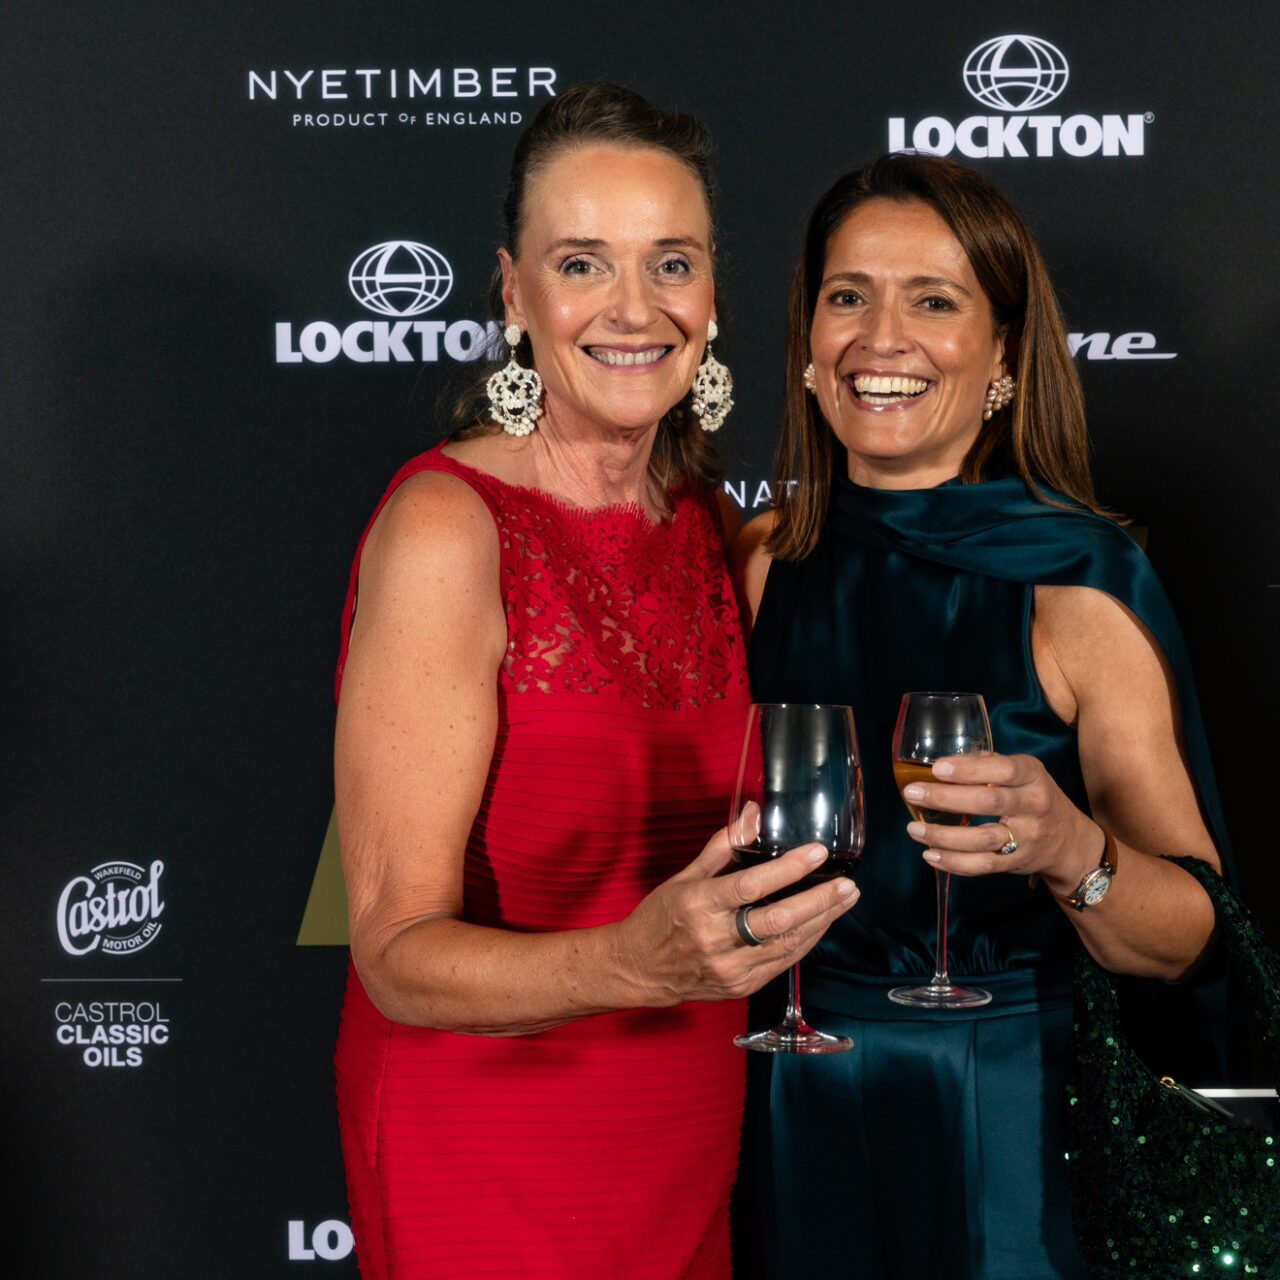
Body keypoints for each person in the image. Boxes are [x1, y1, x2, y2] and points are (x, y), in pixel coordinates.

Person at [331, 83, 858, 1280]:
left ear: (711, 293)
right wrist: (632, 961)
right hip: (487, 1143)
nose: (634, 307)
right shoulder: (447, 527)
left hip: (682, 1132)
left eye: (670, 262)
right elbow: (394, 950)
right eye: (582, 263)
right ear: (513, 293)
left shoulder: (710, 526)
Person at [731, 153, 1229, 1279]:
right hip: (790, 1087)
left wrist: (1070, 849)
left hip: (1008, 1102)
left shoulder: (1078, 581)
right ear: (807, 337)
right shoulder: (764, 561)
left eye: (933, 300)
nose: (880, 337)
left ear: (1003, 352)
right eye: (848, 295)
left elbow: (1197, 934)